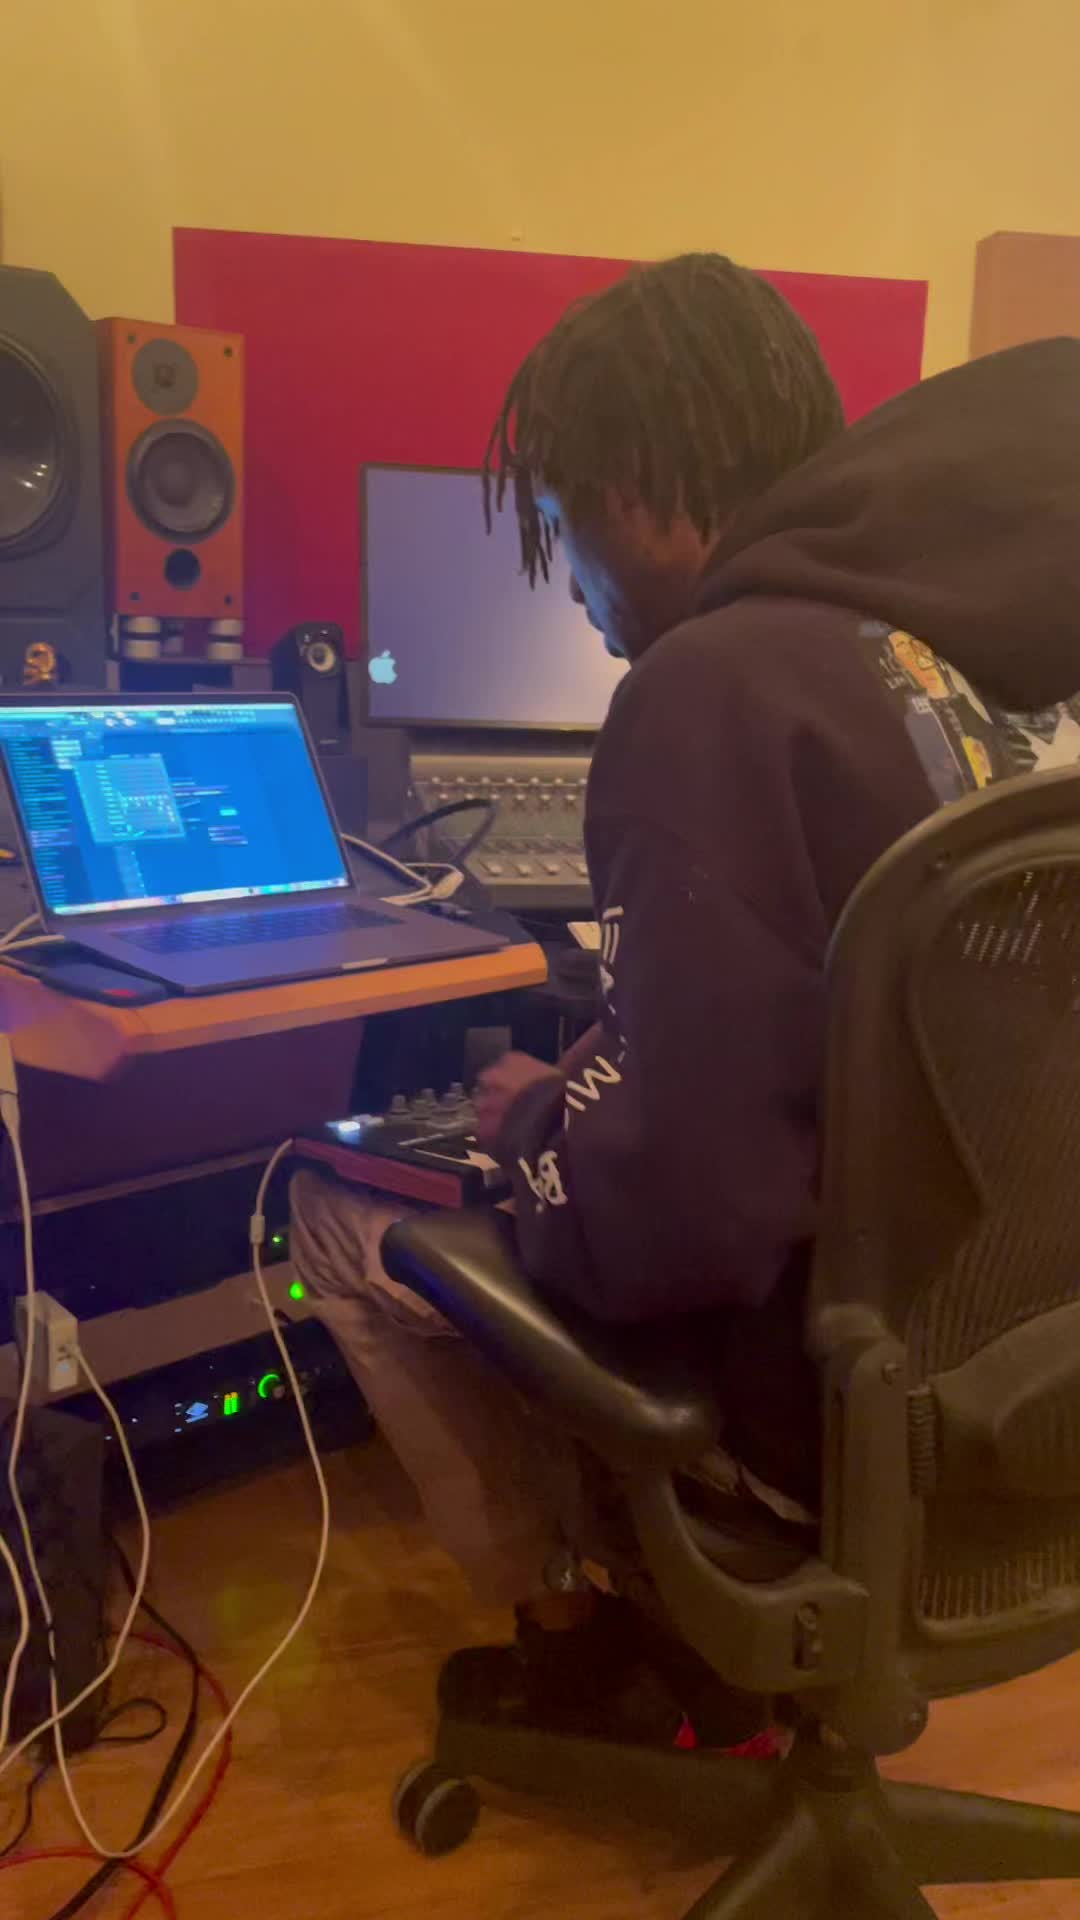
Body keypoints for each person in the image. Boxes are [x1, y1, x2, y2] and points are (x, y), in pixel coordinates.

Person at [291, 253, 1080, 1729]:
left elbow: (680, 1229)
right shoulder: (956, 665)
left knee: (335, 1211)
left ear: (637, 495)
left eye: (563, 523)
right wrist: (631, 1063)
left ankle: (579, 1645)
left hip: (815, 1426)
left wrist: (536, 1127)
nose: (575, 583)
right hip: (1003, 1387)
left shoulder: (710, 687)